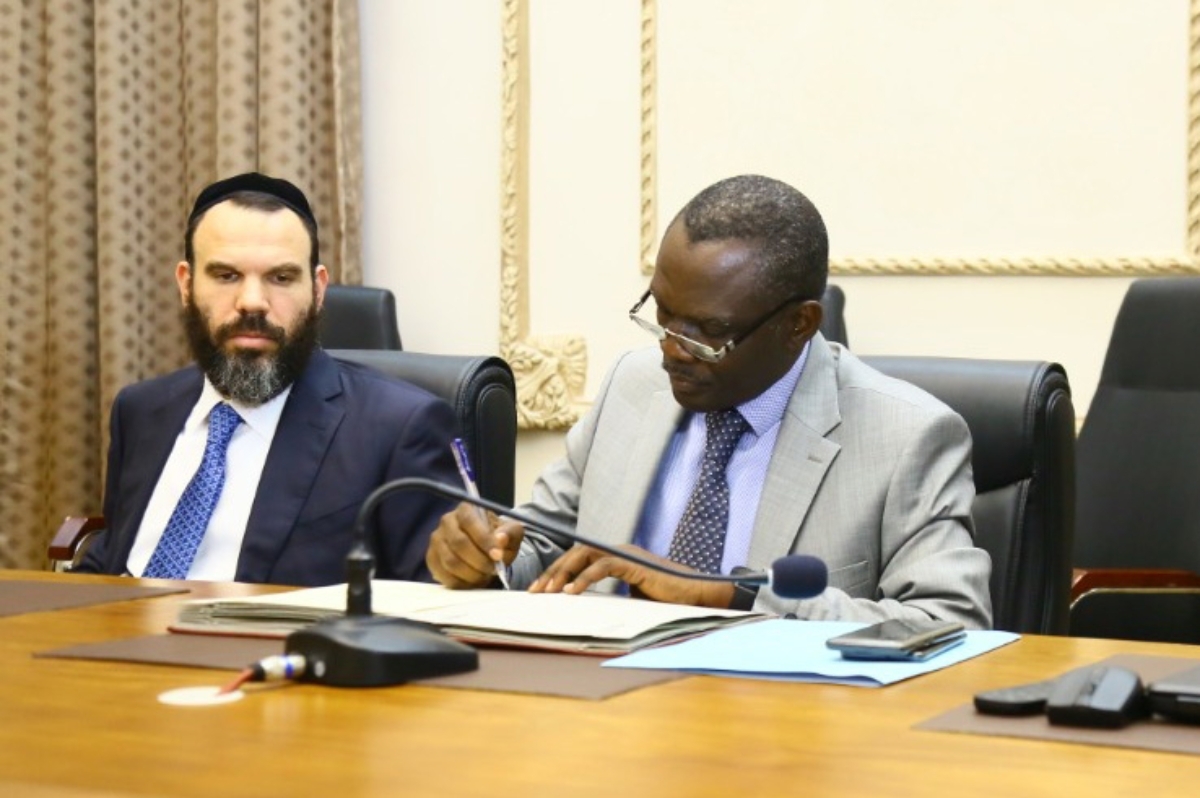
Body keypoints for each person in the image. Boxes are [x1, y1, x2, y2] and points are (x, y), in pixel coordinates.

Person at [428, 174, 992, 628]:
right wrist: (487, 558)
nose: (672, 350)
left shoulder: (906, 437)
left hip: (783, 735)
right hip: (609, 712)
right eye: (662, 314)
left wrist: (730, 595)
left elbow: (951, 624)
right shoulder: (634, 383)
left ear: (799, 324)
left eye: (705, 334)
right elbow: (549, 547)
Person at [76, 172, 460, 585]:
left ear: (317, 289)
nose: (252, 302)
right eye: (226, 276)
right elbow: (114, 560)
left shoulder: (398, 428)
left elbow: (439, 606)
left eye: (281, 278)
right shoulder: (141, 410)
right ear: (186, 285)